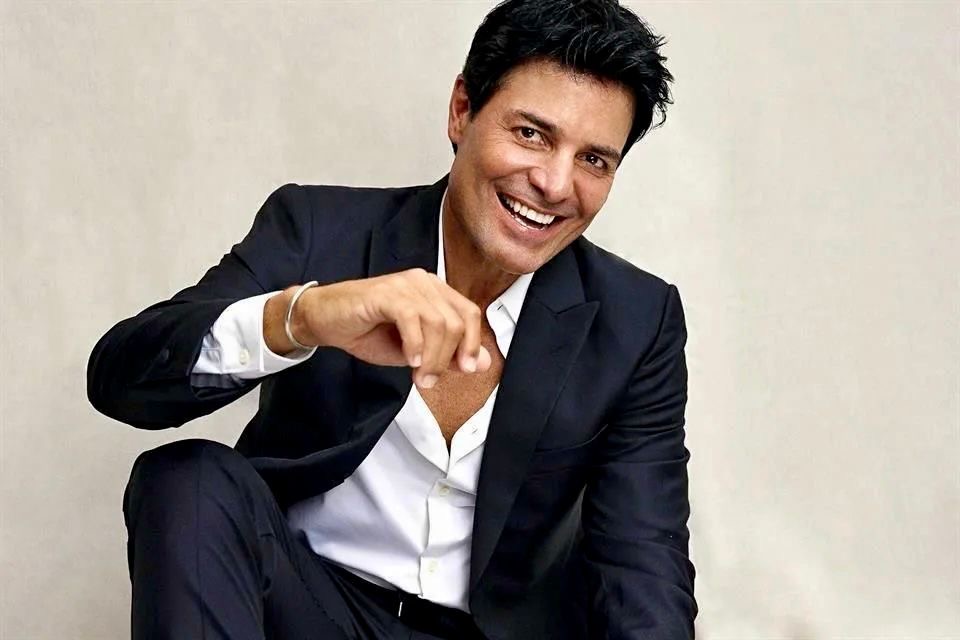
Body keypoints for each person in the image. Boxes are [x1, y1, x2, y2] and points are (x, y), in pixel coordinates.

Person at [87, 1, 696, 638]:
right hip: (307, 609)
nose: (554, 182)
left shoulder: (638, 319)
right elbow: (119, 381)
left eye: (594, 160)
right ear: (462, 110)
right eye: (531, 134)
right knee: (187, 479)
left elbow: (642, 562)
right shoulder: (318, 231)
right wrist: (300, 319)